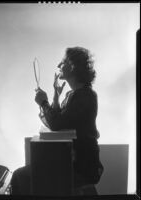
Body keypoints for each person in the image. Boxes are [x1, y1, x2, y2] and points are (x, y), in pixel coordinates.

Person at [11, 47, 103, 195]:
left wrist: (43, 103)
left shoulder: (86, 96)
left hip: (81, 167)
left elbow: (56, 124)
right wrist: (55, 97)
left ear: (73, 66)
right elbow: (60, 119)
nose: (59, 65)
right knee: (22, 175)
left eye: (64, 62)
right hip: (70, 161)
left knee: (19, 176)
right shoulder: (75, 94)